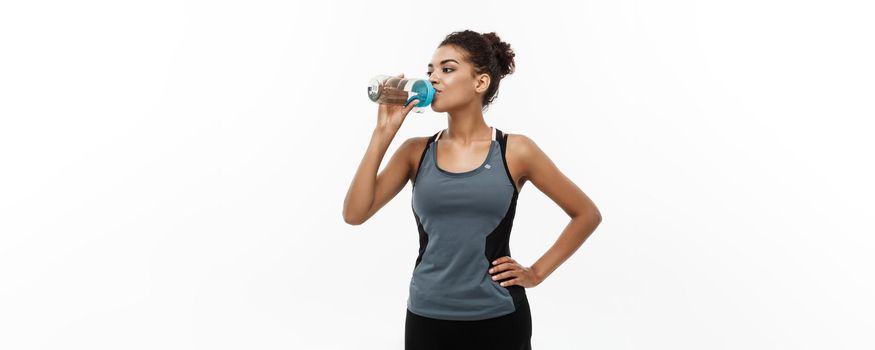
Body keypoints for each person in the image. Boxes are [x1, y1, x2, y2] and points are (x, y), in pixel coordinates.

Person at [343, 30, 602, 350]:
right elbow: (354, 214)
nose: (434, 78)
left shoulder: (515, 150)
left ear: (480, 82)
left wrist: (536, 272)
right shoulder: (415, 152)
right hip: (427, 316)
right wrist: (382, 135)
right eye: (430, 71)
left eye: (447, 69)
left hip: (499, 318)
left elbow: (586, 214)